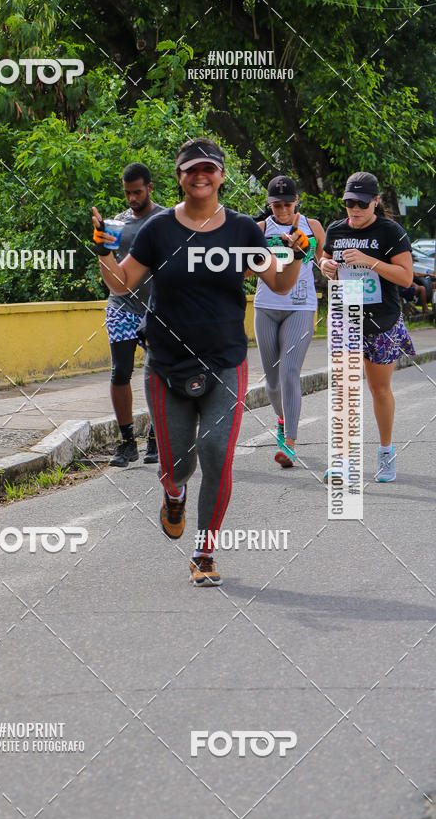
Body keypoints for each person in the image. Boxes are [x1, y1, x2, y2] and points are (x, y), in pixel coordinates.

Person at [93, 138, 304, 585]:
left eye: (208, 168)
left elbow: (280, 284)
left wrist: (299, 256)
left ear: (221, 175)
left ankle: (205, 551)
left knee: (215, 454)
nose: (200, 175)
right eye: (191, 169)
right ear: (180, 176)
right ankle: (174, 492)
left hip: (226, 361)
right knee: (177, 465)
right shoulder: (158, 230)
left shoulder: (245, 231)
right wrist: (104, 250)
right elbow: (120, 283)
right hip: (166, 366)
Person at [320, 171, 414, 483]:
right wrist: (326, 267)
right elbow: (324, 261)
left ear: (375, 201)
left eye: (361, 203)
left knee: (378, 389)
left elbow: (405, 278)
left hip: (382, 321)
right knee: (345, 390)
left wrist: (368, 260)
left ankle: (386, 452)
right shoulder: (335, 229)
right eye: (349, 202)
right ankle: (343, 461)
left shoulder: (391, 232)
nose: (355, 209)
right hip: (347, 318)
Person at [92, 163, 164, 467]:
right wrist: (101, 244)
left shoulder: (165, 220)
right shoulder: (117, 224)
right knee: (120, 371)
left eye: (137, 191)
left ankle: (156, 436)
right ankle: (126, 441)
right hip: (121, 307)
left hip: (157, 309)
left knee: (157, 374)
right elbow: (109, 269)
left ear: (149, 187)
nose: (132, 198)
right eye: (127, 193)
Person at [253, 176, 325, 467]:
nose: (282, 211)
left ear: (297, 202)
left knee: (289, 372)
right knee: (271, 382)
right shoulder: (259, 229)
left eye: (287, 204)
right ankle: (282, 420)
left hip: (301, 307)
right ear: (269, 205)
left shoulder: (314, 226)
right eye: (276, 205)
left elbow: (322, 264)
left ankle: (290, 444)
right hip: (266, 307)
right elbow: (248, 267)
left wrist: (307, 250)